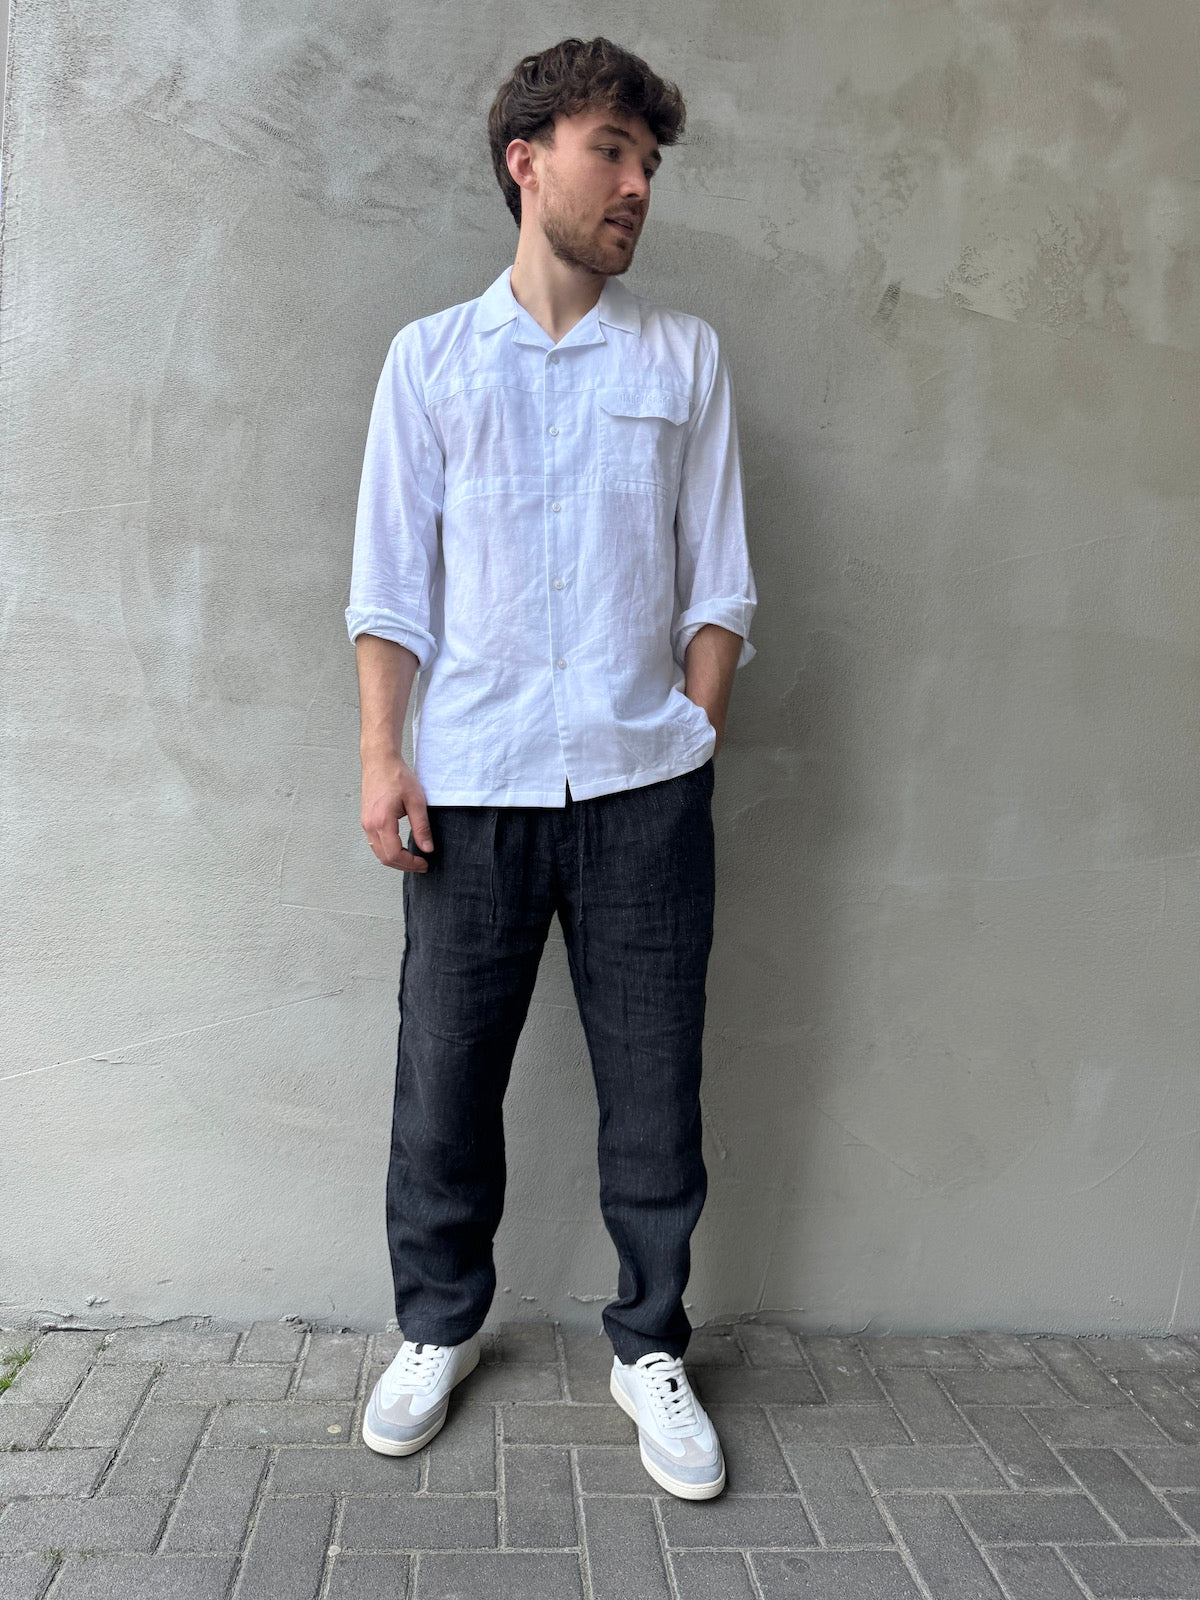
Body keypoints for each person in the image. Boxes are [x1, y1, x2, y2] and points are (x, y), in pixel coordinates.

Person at [345, 35, 756, 1501]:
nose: (637, 184)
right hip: (474, 787)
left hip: (645, 790)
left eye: (650, 162)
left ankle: (650, 1345)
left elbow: (721, 580)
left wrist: (693, 729)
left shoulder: (684, 358)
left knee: (655, 1090)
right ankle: (438, 1325)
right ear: (528, 162)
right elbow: (391, 588)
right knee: (443, 1082)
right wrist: (385, 756)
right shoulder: (430, 362)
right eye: (612, 152)